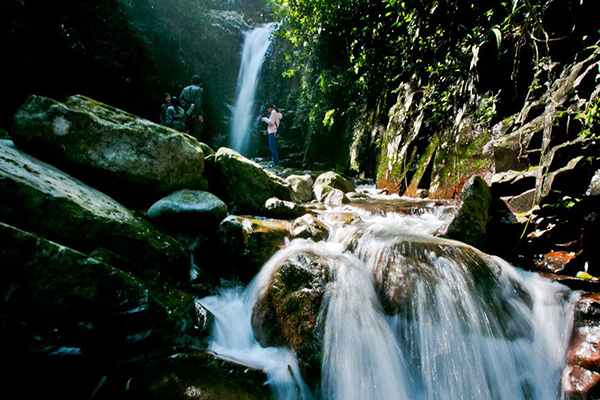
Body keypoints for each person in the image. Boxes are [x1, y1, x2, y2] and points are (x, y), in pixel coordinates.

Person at [180, 74, 204, 141]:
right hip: (195, 113)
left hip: (186, 112)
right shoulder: (200, 90)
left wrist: (188, 106)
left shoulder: (185, 89)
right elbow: (198, 103)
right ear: (200, 83)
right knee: (196, 131)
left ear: (191, 81)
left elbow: (181, 100)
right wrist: (200, 114)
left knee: (186, 127)